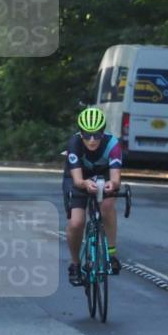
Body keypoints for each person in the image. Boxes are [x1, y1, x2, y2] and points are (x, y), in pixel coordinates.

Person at [63, 106, 124, 287]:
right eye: (87, 135)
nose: (91, 140)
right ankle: (75, 264)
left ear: (103, 133)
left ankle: (111, 255)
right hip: (78, 178)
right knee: (77, 222)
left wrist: (111, 185)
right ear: (80, 133)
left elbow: (116, 179)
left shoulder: (113, 144)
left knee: (107, 207)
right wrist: (84, 184)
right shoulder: (74, 144)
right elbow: (77, 179)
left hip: (103, 176)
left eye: (96, 135)